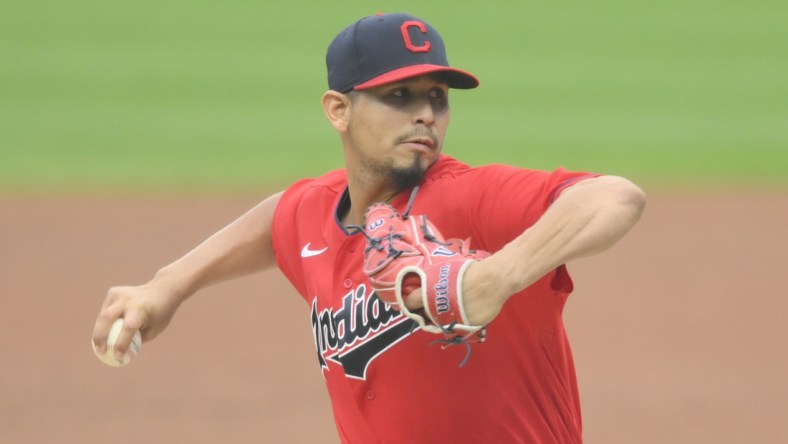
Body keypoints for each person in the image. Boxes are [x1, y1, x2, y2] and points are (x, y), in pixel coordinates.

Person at [92, 12, 646, 443]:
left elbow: (613, 197)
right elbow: (279, 217)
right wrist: (168, 284)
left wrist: (495, 277)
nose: (426, 114)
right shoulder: (317, 211)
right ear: (338, 109)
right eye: (399, 96)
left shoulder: (466, 198)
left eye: (437, 97)